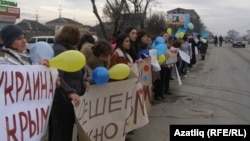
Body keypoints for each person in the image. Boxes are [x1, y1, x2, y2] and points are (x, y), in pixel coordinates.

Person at [49, 24, 89, 141]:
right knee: (61, 134)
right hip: (62, 100)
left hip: (71, 99)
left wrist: (84, 81)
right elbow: (58, 76)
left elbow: (79, 69)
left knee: (65, 131)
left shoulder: (70, 49)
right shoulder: (59, 51)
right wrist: (69, 92)